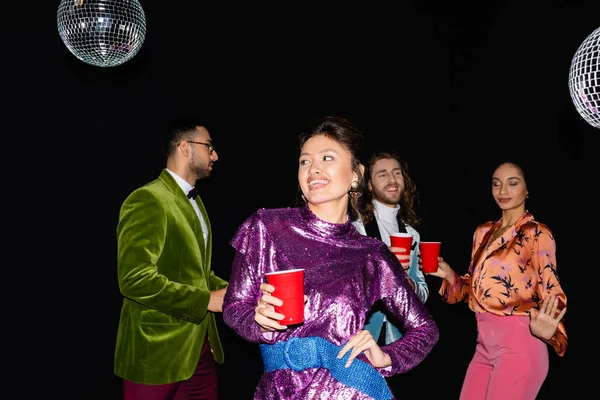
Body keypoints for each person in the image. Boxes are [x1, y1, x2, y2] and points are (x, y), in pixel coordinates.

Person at [222, 115, 439, 400]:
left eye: (327, 158)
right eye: (305, 161)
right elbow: (234, 308)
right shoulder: (266, 227)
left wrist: (385, 356)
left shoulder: (370, 254)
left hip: (350, 390)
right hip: (279, 390)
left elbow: (425, 330)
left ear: (355, 175)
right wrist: (258, 320)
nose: (313, 169)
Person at [424, 161, 567, 400]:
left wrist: (549, 330)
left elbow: (553, 291)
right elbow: (474, 292)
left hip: (521, 346)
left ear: (527, 189)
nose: (503, 191)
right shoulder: (483, 232)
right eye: (496, 184)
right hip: (484, 346)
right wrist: (449, 275)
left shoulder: (536, 233)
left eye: (512, 183)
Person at [114, 119, 229, 400]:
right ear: (184, 147)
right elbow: (134, 279)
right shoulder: (147, 199)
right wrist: (205, 300)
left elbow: (197, 272)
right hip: (155, 352)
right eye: (209, 147)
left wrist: (241, 292)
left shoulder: (195, 201)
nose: (215, 155)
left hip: (198, 349)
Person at [352, 151, 428, 346]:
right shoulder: (356, 227)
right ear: (368, 185)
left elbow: (423, 291)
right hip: (361, 337)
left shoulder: (412, 234)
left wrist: (412, 287)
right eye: (382, 174)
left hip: (400, 338)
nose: (392, 179)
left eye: (397, 172)